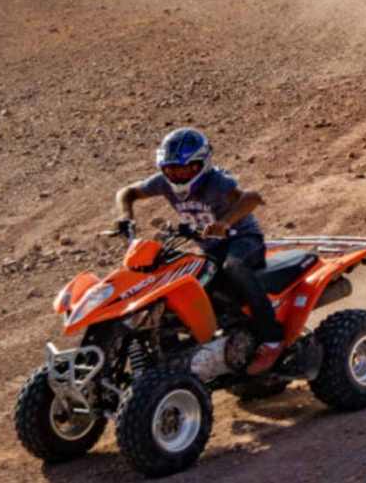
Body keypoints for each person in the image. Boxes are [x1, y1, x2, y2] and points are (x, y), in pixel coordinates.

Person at [115, 127, 286, 376]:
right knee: (184, 282)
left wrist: (225, 223)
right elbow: (127, 192)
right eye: (171, 170)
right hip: (212, 248)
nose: (177, 176)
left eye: (185, 169)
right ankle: (198, 350)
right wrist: (124, 216)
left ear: (201, 165)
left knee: (233, 267)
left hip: (244, 240)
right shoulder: (163, 184)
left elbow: (251, 197)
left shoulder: (217, 181)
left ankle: (272, 339)